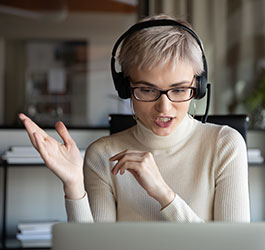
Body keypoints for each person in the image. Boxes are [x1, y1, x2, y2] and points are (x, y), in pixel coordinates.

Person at [19, 14, 250, 223]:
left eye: (179, 90)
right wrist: (74, 186)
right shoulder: (102, 155)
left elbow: (234, 246)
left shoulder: (225, 145)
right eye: (147, 90)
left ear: (197, 87)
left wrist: (164, 195)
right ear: (125, 88)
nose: (164, 107)